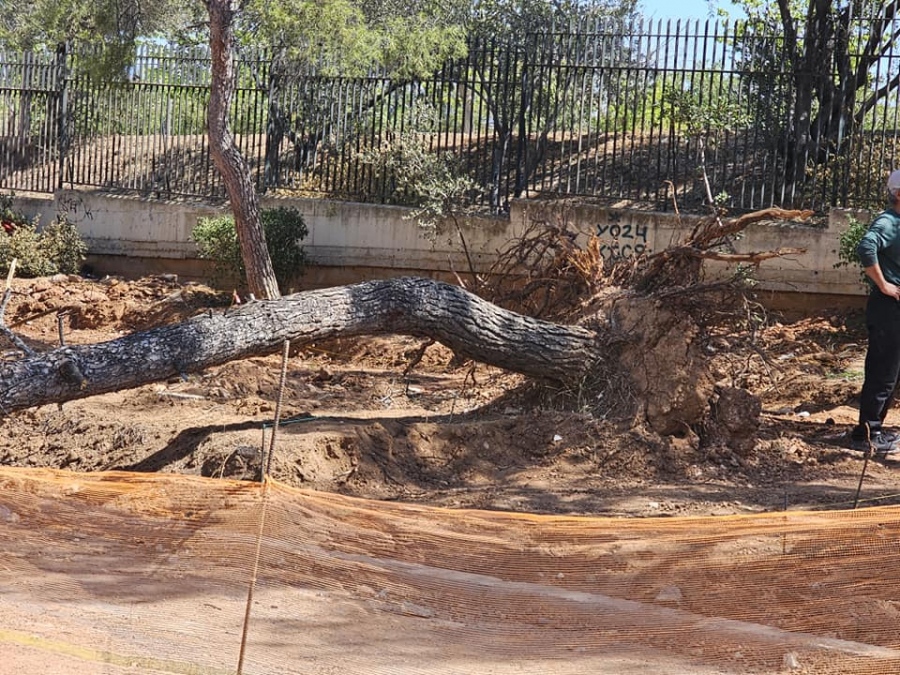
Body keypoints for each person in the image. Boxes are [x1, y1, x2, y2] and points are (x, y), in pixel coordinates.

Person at [851, 169, 900, 452]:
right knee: (883, 372)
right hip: (888, 308)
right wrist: (884, 285)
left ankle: (874, 430)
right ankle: (866, 434)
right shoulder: (888, 222)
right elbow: (866, 246)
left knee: (891, 373)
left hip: (894, 309)